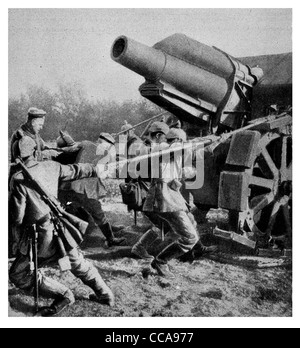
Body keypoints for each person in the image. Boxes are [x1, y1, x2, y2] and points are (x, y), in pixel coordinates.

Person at [9, 138, 115, 316]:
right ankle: (106, 294)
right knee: (78, 263)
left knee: (18, 274)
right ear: (35, 153)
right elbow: (76, 170)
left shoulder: (18, 178)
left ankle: (64, 295)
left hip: (37, 238)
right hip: (60, 228)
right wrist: (96, 168)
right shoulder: (52, 166)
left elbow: (17, 218)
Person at [132, 127, 217, 277]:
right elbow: (185, 149)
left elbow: (194, 156)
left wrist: (215, 142)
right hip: (165, 197)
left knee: (191, 220)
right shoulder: (164, 147)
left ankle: (198, 249)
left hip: (170, 195)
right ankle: (161, 261)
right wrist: (203, 141)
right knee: (189, 237)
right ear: (178, 140)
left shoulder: (174, 150)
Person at [57, 131, 126, 247]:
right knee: (97, 211)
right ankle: (110, 238)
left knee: (75, 207)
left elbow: (71, 147)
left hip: (70, 184)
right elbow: (104, 174)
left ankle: (105, 228)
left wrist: (66, 137)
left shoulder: (86, 143)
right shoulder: (106, 154)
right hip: (86, 189)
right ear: (106, 144)